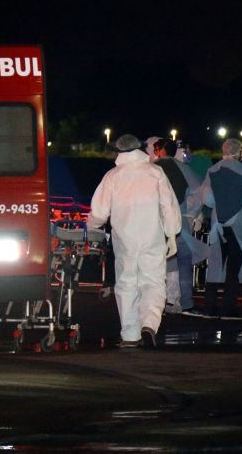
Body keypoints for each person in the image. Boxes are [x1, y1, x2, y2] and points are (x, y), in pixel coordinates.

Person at [87, 134, 182, 348]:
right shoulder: (155, 172)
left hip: (125, 240)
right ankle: (149, 324)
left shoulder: (112, 176)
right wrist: (172, 233)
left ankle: (130, 334)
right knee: (154, 282)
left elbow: (99, 213)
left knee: (127, 284)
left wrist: (92, 227)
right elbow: (169, 205)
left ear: (118, 151)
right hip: (153, 237)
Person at [200, 138, 242, 319]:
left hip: (217, 224)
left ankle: (209, 306)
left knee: (215, 265)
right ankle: (228, 307)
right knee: (234, 267)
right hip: (239, 224)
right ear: (240, 152)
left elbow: (206, 199)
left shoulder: (212, 171)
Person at [152, 138, 212, 317]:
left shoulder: (153, 169)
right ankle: (186, 302)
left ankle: (157, 303)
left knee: (158, 265)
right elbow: (199, 190)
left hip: (158, 223)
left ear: (161, 150)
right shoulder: (184, 168)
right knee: (184, 263)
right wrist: (190, 213)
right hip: (181, 223)